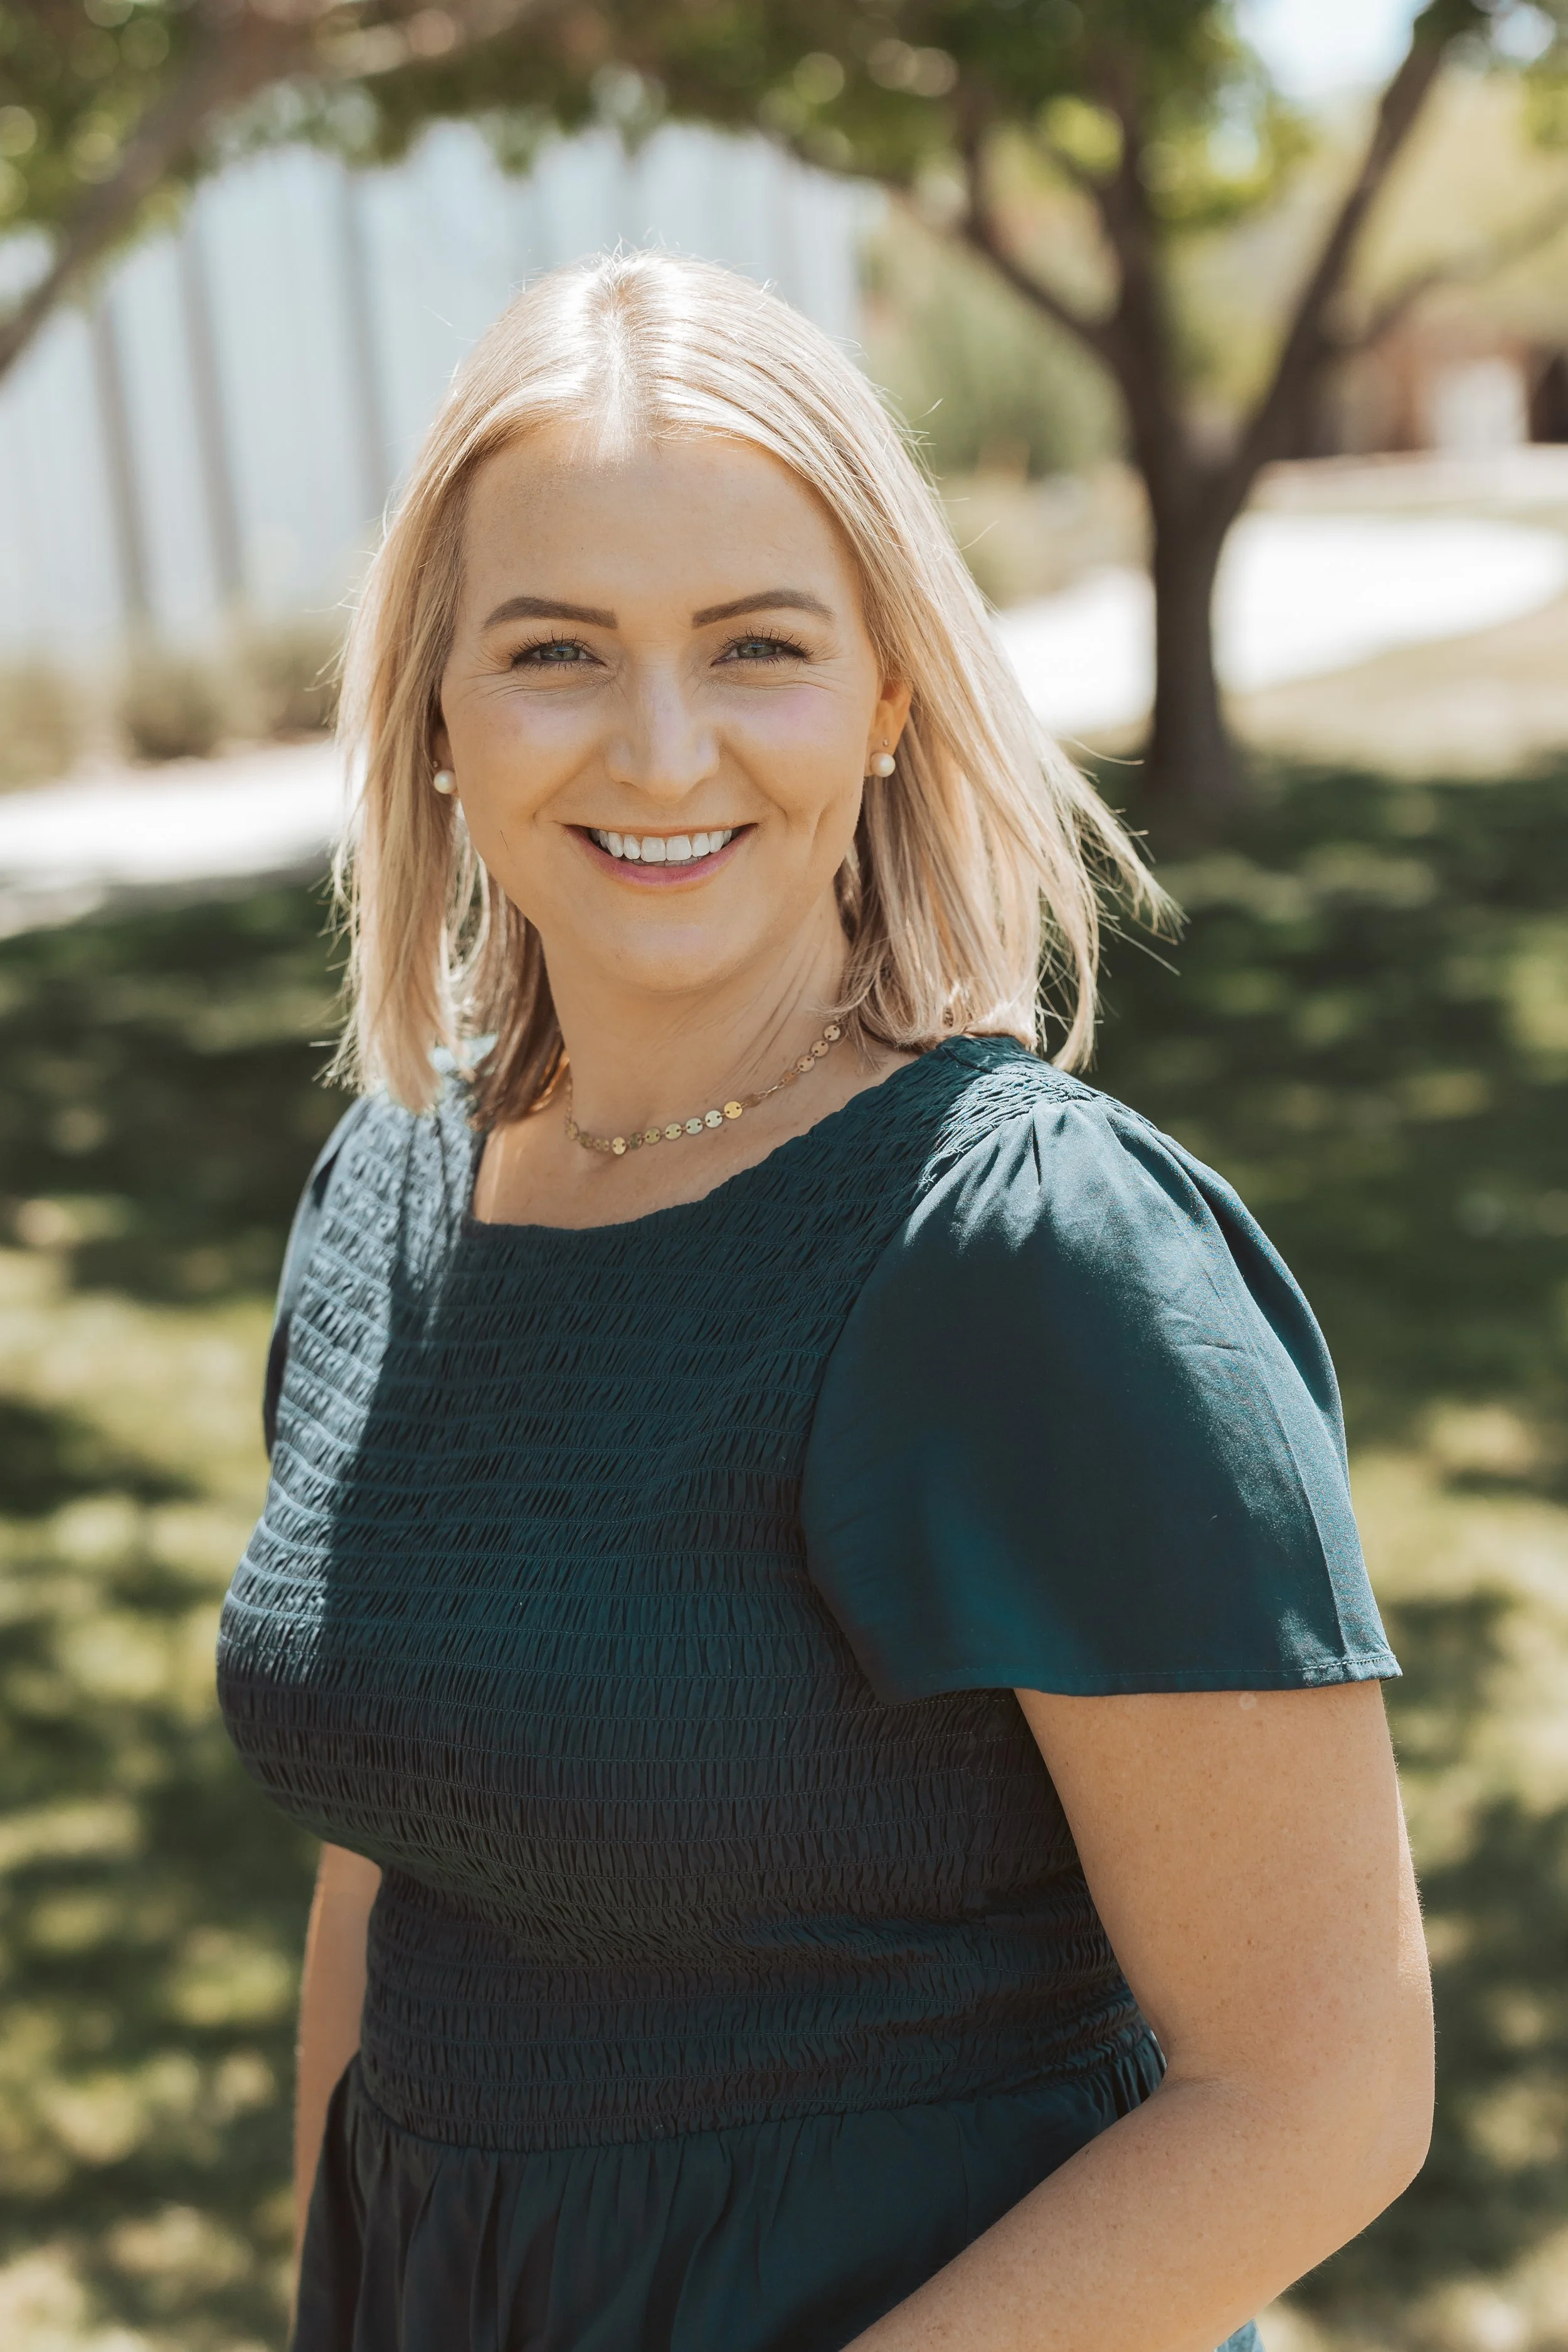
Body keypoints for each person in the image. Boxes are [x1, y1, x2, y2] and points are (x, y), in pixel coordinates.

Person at [217, 250, 1433, 2352]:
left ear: (888, 696)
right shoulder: (382, 1204)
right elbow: (388, 1859)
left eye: (755, 646)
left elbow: (1319, 2087)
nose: (661, 745)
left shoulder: (1022, 1255)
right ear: (436, 706)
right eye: (556, 651)